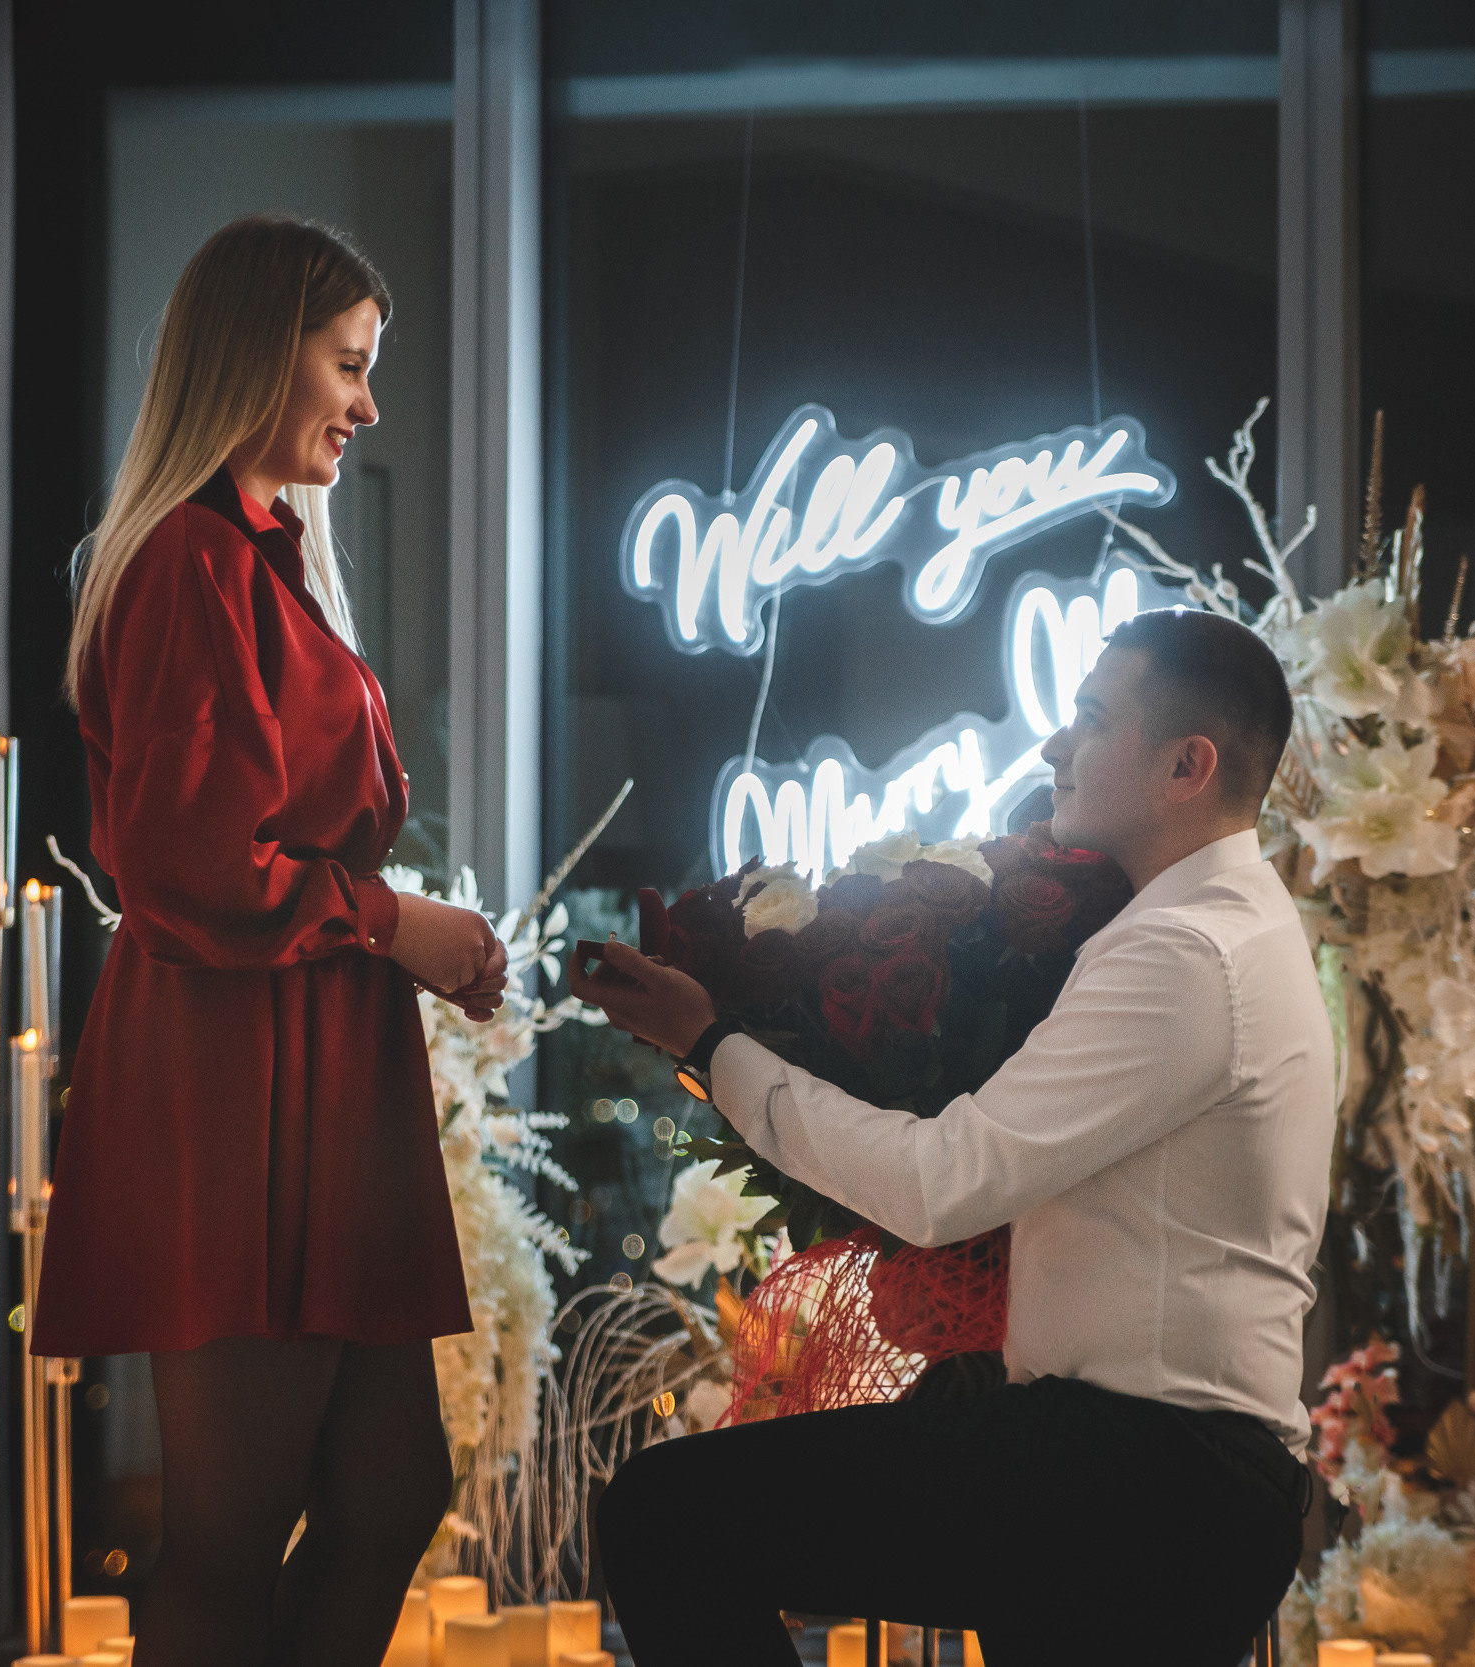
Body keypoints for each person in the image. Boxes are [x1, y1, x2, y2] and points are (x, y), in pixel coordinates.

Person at [569, 607, 1335, 1667]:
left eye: (1090, 717)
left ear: (1186, 763)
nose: (1052, 746)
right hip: (1172, 1476)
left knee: (665, 1510)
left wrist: (711, 1042)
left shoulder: (1182, 949)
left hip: (1149, 1478)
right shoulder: (1238, 923)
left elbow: (942, 1180)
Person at [32, 216, 504, 1667]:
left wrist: (400, 931)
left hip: (306, 1064)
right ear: (257, 354)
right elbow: (190, 869)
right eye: (348, 365)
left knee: (391, 1486)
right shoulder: (186, 561)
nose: (367, 405)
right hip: (236, 1076)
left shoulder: (266, 558)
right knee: (232, 1526)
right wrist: (400, 920)